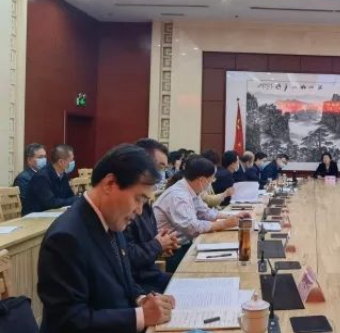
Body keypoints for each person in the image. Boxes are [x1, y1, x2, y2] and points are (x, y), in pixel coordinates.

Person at [38, 144, 175, 333]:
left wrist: (142, 300)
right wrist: (141, 316)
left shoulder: (112, 220)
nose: (139, 210)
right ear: (110, 184)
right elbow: (70, 321)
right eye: (138, 198)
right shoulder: (65, 239)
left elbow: (125, 281)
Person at [154, 156, 251, 271]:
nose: (211, 183)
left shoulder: (189, 189)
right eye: (211, 180)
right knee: (220, 267)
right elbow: (192, 227)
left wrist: (232, 216)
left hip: (183, 244)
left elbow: (205, 212)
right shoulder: (179, 196)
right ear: (202, 180)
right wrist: (223, 224)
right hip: (171, 251)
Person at [125, 138, 179, 294]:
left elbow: (148, 242)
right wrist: (158, 245)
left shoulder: (146, 204)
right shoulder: (125, 207)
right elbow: (127, 257)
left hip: (151, 274)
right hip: (139, 284)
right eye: (160, 167)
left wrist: (164, 244)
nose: (162, 173)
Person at [24, 144, 78, 215]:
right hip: (35, 216)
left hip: (52, 213)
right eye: (71, 160)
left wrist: (77, 198)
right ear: (61, 162)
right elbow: (51, 203)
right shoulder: (42, 177)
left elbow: (69, 196)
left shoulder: (63, 174)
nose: (73, 162)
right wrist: (75, 199)